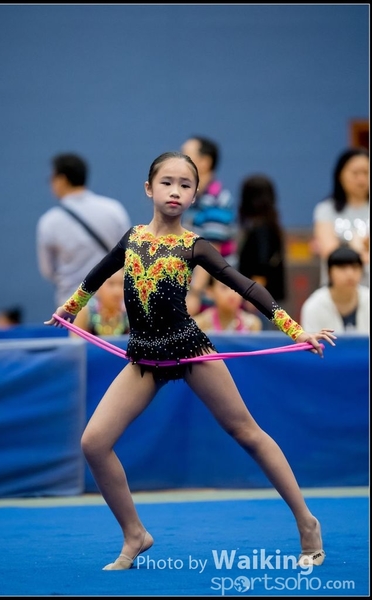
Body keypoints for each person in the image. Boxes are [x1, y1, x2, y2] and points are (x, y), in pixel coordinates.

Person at [45, 151, 336, 571]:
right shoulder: (132, 239)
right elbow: (95, 277)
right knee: (93, 442)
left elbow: (245, 287)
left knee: (247, 432)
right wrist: (69, 310)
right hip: (144, 356)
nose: (175, 191)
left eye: (185, 185)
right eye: (167, 182)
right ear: (149, 188)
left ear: (195, 195)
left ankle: (307, 522)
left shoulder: (194, 246)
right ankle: (134, 533)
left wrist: (296, 330)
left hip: (188, 348)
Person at [37, 153, 131, 308]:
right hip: (112, 303)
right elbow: (130, 255)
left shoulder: (50, 222)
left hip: (72, 305)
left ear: (62, 179)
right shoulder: (114, 210)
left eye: (52, 178)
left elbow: (48, 271)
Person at [180, 136, 238, 315]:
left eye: (186, 156)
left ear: (205, 163)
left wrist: (195, 294)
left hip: (211, 299)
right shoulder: (191, 199)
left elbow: (210, 251)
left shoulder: (217, 200)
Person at [312, 147, 369, 288]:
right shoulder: (326, 210)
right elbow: (330, 252)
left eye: (366, 173)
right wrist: (358, 248)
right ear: (340, 175)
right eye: (355, 173)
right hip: (337, 291)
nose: (361, 179)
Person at [236, 174, 287, 329]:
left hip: (260, 300)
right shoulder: (269, 225)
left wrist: (254, 297)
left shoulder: (260, 229)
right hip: (268, 297)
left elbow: (262, 266)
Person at [300, 246, 369, 333]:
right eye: (342, 268)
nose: (350, 274)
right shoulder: (314, 306)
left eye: (355, 268)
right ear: (329, 272)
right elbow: (311, 340)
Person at [72, 269, 129, 337]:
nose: (117, 291)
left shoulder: (132, 313)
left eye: (122, 284)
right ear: (98, 285)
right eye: (111, 283)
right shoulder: (84, 312)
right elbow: (76, 342)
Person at [194, 277, 262, 333]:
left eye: (236, 287)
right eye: (224, 287)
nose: (232, 293)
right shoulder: (199, 324)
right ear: (211, 291)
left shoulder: (252, 324)